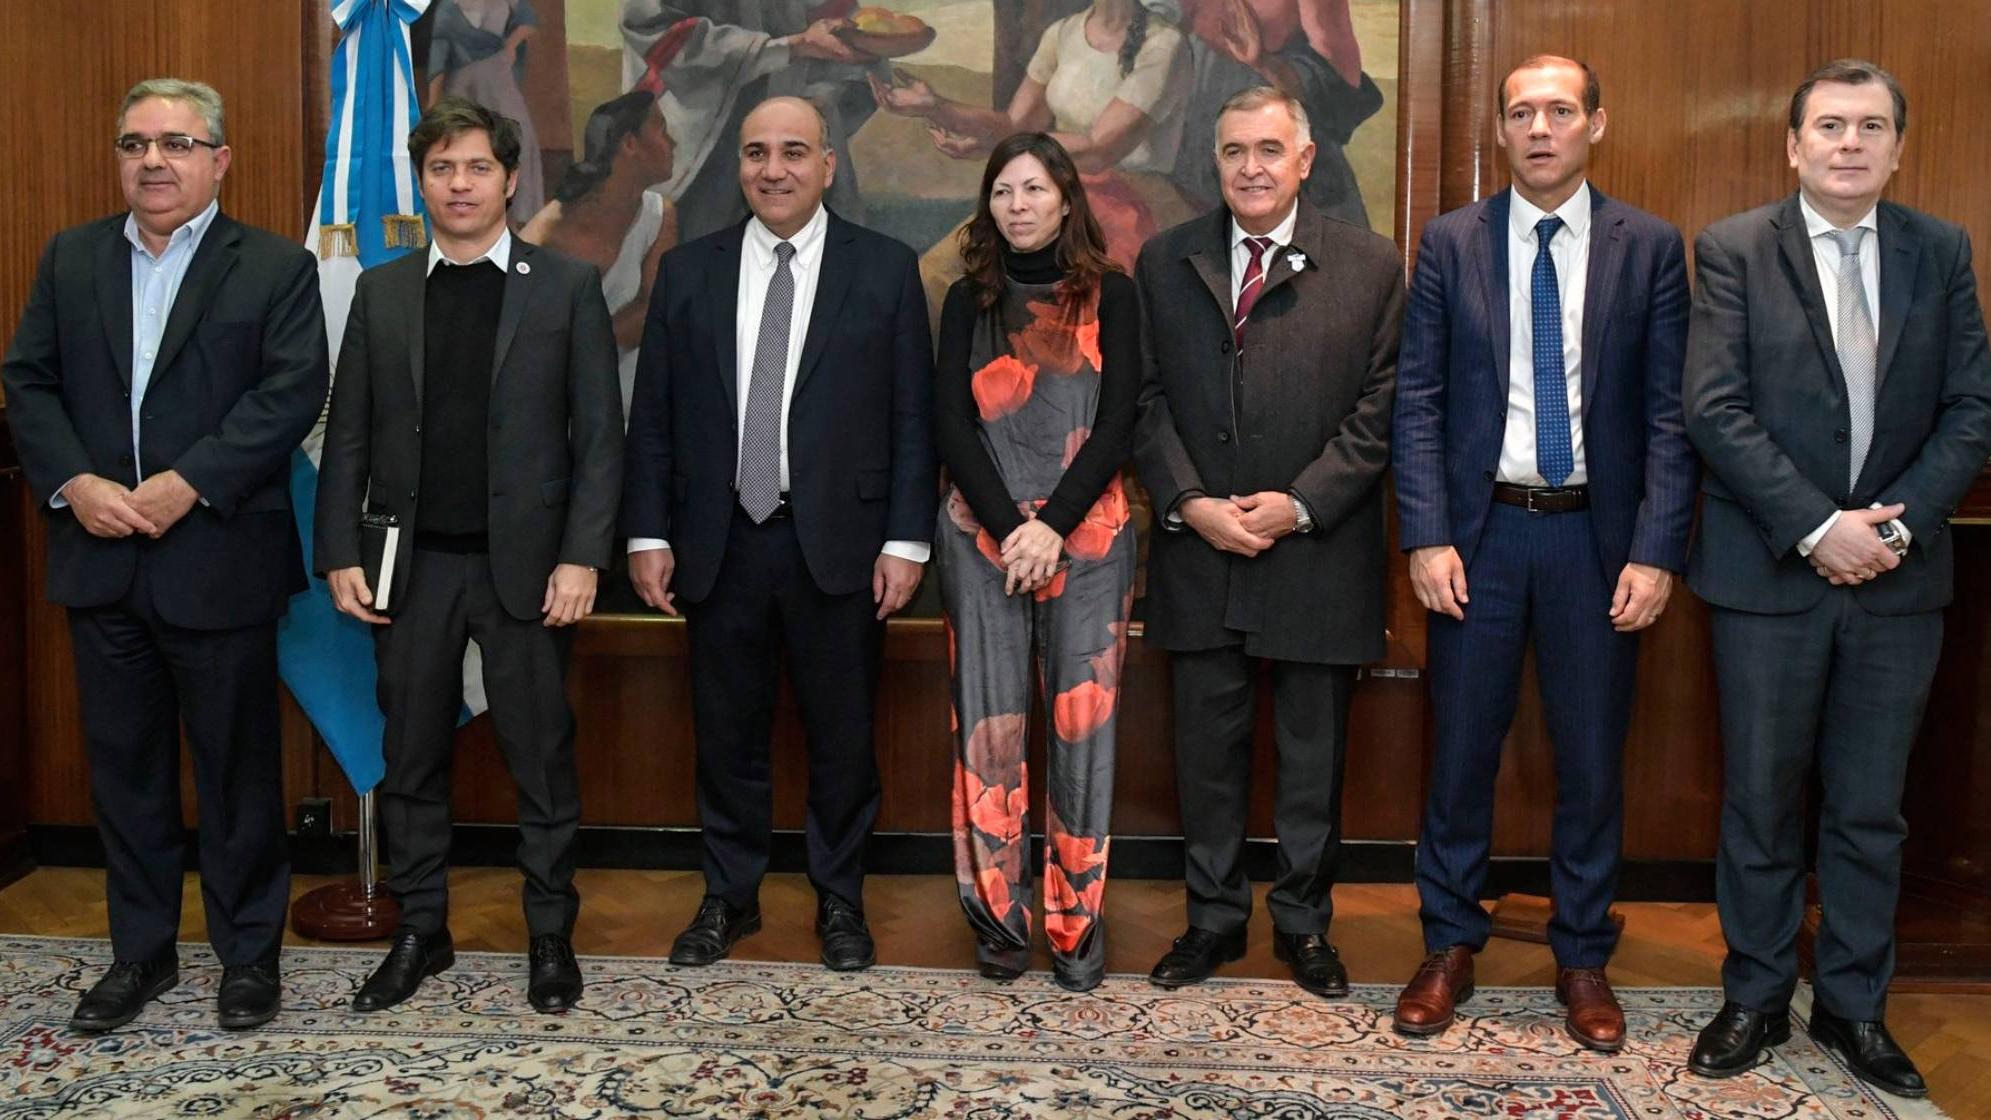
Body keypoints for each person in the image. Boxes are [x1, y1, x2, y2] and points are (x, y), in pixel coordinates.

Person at [1683, 59, 1991, 1097]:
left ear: (1897, 147)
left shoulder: (1937, 250)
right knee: (1761, 800)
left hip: (1897, 580)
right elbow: (1713, 409)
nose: (1848, 142)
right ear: (1792, 145)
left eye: (1869, 127)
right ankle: (1756, 995)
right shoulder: (1731, 249)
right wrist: (1817, 526)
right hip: (1769, 571)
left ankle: (1854, 1007)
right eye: (1828, 125)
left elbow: (1968, 409)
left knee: (1868, 807)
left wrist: (1887, 536)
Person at [0, 78, 329, 1031]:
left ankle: (247, 959)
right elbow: (28, 381)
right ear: (119, 158)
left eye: (178, 143)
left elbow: (290, 391)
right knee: (126, 775)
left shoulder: (272, 267)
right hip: (102, 560)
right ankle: (139, 957)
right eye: (137, 143)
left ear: (219, 160)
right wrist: (77, 484)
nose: (155, 160)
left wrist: (189, 482)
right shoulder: (71, 260)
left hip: (218, 557)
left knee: (236, 777)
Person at [1387, 56, 1695, 1051]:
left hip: (1593, 540)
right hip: (1480, 536)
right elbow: (1419, 400)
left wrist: (1654, 550)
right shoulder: (1449, 243)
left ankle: (1581, 954)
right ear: (1500, 130)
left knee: (1591, 756)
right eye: (1519, 112)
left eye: (1558, 110)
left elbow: (1664, 415)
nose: (1537, 128)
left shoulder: (1647, 246)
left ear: (1594, 124)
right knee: (1459, 749)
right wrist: (1426, 532)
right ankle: (1445, 943)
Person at [315, 97, 624, 1015]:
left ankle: (548, 935)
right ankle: (421, 930)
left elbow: (599, 439)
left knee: (540, 754)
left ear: (509, 177)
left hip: (528, 569)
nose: (459, 184)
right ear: (424, 181)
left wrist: (582, 559)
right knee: (408, 755)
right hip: (409, 568)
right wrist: (339, 549)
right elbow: (350, 440)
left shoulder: (564, 286)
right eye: (442, 168)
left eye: (477, 168)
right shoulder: (382, 289)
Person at [624, 96, 936, 972]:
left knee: (842, 739)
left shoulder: (883, 270)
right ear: (740, 166)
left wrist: (905, 543)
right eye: (757, 152)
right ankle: (729, 898)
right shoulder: (688, 272)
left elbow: (915, 417)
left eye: (794, 151)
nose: (774, 169)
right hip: (719, 541)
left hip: (839, 543)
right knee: (726, 734)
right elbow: (651, 417)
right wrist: (647, 531)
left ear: (827, 164)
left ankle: (841, 900)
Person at [1132, 86, 1401, 998]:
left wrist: (1298, 503)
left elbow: (1382, 409)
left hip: (1318, 552)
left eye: (1268, 150)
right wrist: (1188, 502)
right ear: (1214, 161)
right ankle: (1209, 920)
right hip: (1198, 550)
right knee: (1205, 755)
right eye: (1233, 150)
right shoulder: (1164, 260)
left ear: (1305, 158)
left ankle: (1303, 925)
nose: (1251, 166)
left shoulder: (1368, 265)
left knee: (1310, 756)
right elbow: (1143, 399)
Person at [935, 133, 1139, 993]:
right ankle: (998, 920)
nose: (1018, 205)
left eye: (1034, 189)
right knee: (987, 729)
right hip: (978, 535)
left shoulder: (1114, 297)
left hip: (1086, 535)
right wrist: (1005, 524)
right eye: (1003, 190)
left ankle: (1074, 925)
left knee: (1080, 731)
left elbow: (1122, 415)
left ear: (1065, 199)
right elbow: (949, 422)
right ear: (989, 205)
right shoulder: (963, 300)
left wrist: (1050, 525)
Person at [868, 0, 1197, 306]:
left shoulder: (1164, 44)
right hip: (1058, 185)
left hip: (1133, 202)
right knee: (934, 279)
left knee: (1052, 314)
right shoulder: (1063, 32)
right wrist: (936, 108)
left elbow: (1100, 150)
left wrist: (996, 146)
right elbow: (1015, 123)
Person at [620, 0, 882, 244]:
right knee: (702, 258)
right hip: (702, 141)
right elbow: (656, 33)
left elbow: (836, 18)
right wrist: (793, 46)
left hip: (795, 116)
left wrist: (824, 92)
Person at [520, 91, 680, 415]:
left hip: (632, 400)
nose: (672, 142)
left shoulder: (659, 214)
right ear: (630, 143)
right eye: (661, 128)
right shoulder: (547, 233)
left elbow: (653, 307)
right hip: (562, 408)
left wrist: (585, 346)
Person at [427, 0, 546, 219]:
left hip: (498, 78)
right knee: (463, 146)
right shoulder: (448, 7)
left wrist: (511, 45)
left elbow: (528, 21)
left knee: (520, 140)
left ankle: (516, 219)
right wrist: (433, 104)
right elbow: (438, 58)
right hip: (463, 86)